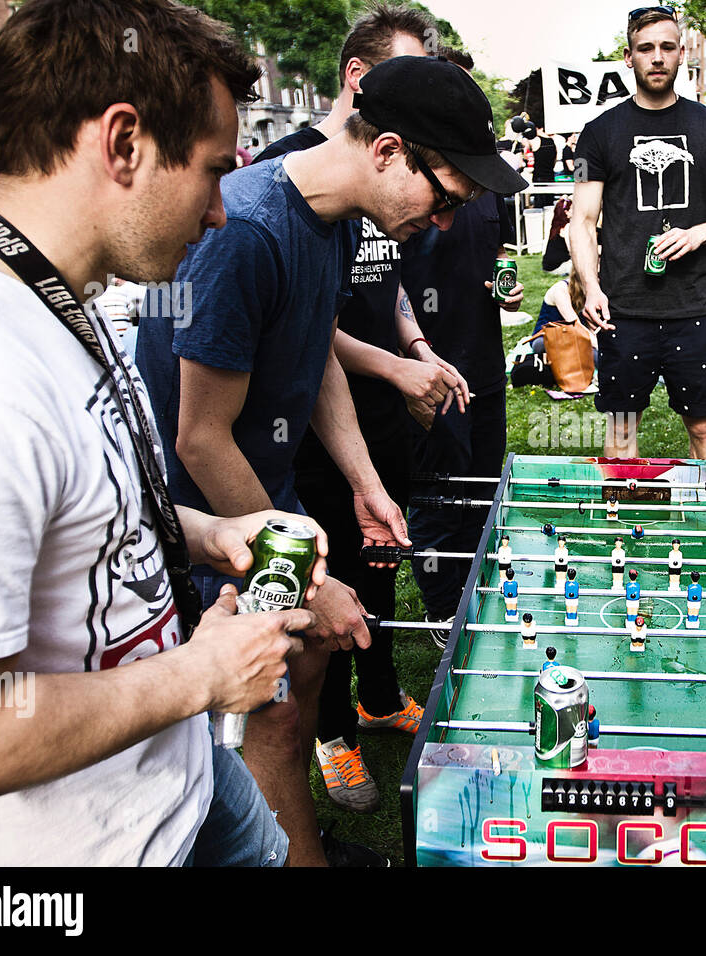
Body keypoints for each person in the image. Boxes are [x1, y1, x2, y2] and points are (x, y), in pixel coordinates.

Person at [0, 0, 338, 867]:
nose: (223, 211)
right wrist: (199, 676)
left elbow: (89, 521)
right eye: (211, 171)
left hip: (183, 786)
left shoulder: (60, 304)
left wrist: (214, 532)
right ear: (123, 145)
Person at [136, 55, 523, 866]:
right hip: (206, 511)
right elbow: (199, 437)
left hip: (266, 498)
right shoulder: (244, 233)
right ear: (388, 151)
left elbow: (314, 358)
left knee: (305, 674)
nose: (446, 221)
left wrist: (365, 485)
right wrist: (313, 575)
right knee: (269, 709)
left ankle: (294, 838)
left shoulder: (341, 218)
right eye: (446, 195)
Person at [248, 5, 454, 821]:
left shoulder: (381, 191)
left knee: (378, 566)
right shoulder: (296, 179)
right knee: (317, 602)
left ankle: (377, 696)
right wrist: (395, 367)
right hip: (304, 432)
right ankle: (330, 736)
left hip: (376, 410)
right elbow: (308, 330)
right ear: (362, 81)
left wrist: (416, 341)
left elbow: (380, 282)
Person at [571, 6, 706, 460]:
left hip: (692, 306)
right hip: (623, 309)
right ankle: (618, 528)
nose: (657, 57)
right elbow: (583, 221)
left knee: (704, 426)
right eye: (645, 48)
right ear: (628, 57)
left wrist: (698, 234)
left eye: (667, 47)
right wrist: (590, 286)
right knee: (622, 429)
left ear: (681, 53)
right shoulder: (598, 132)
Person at [399, 47, 528, 636]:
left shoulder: (486, 182)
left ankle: (475, 588)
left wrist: (505, 291)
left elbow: (499, 254)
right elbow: (384, 287)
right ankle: (441, 606)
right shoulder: (405, 186)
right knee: (434, 494)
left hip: (484, 359)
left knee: (482, 484)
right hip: (427, 364)